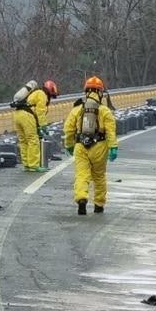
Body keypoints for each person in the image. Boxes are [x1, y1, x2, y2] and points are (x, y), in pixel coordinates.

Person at [63, 76, 118, 215]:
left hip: (81, 146)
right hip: (99, 146)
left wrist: (69, 145)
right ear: (100, 93)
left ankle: (81, 198)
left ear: (86, 92)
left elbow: (68, 129)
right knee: (99, 176)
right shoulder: (104, 110)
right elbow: (111, 131)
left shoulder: (77, 109)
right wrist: (113, 147)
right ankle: (99, 204)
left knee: (82, 175)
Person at [10, 78, 58, 172]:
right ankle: (33, 165)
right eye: (51, 96)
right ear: (49, 91)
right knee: (33, 140)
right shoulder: (42, 94)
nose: (50, 98)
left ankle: (27, 164)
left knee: (23, 141)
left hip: (17, 114)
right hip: (27, 116)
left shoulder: (34, 93)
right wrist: (43, 126)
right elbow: (40, 111)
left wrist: (38, 126)